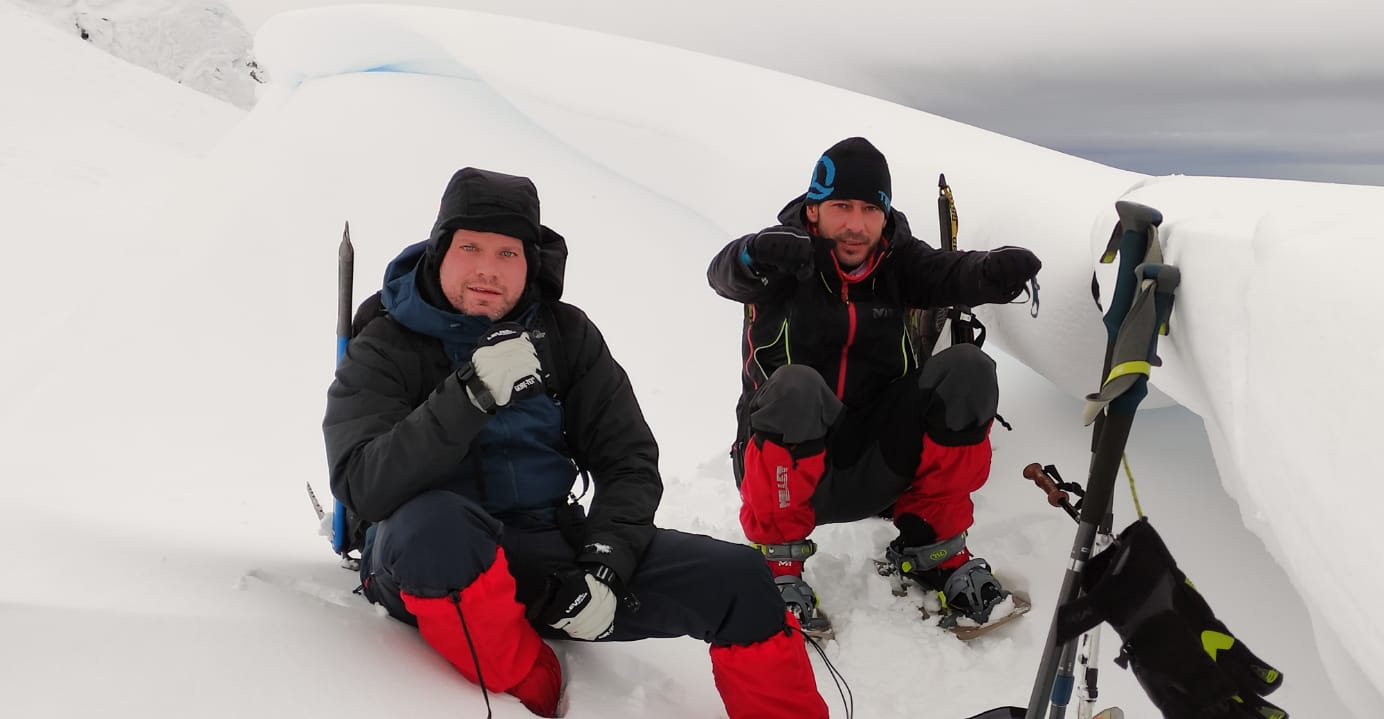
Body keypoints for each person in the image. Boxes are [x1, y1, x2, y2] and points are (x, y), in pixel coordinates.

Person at [324, 167, 828, 718]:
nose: (487, 270)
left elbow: (628, 461)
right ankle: (532, 680)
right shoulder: (387, 342)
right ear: (440, 250)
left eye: (508, 253)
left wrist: (603, 566)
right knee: (436, 526)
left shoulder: (564, 334)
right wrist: (468, 398)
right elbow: (363, 485)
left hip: (547, 549)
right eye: (470, 247)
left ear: (531, 261)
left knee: (739, 579)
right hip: (427, 562)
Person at [706, 137, 1042, 636]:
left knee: (968, 369)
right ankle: (776, 567)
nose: (856, 224)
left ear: (885, 215)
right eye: (841, 206)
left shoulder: (898, 260)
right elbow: (724, 274)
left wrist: (992, 273)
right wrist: (755, 252)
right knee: (795, 386)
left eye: (869, 209)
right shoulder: (781, 259)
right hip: (789, 472)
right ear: (814, 209)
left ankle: (932, 549)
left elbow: (949, 272)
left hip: (881, 465)